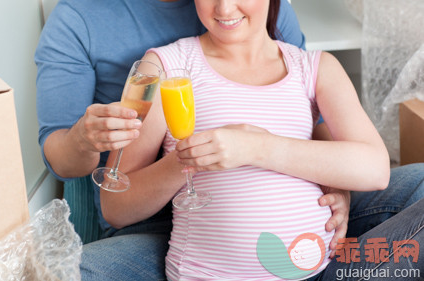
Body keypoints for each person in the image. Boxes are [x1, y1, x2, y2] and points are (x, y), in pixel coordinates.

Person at [34, 0, 424, 280]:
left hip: (316, 265)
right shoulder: (162, 64)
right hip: (189, 251)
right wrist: (187, 158)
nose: (224, 8)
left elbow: (370, 165)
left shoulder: (314, 67)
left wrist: (262, 148)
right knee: (58, 271)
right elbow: (113, 202)